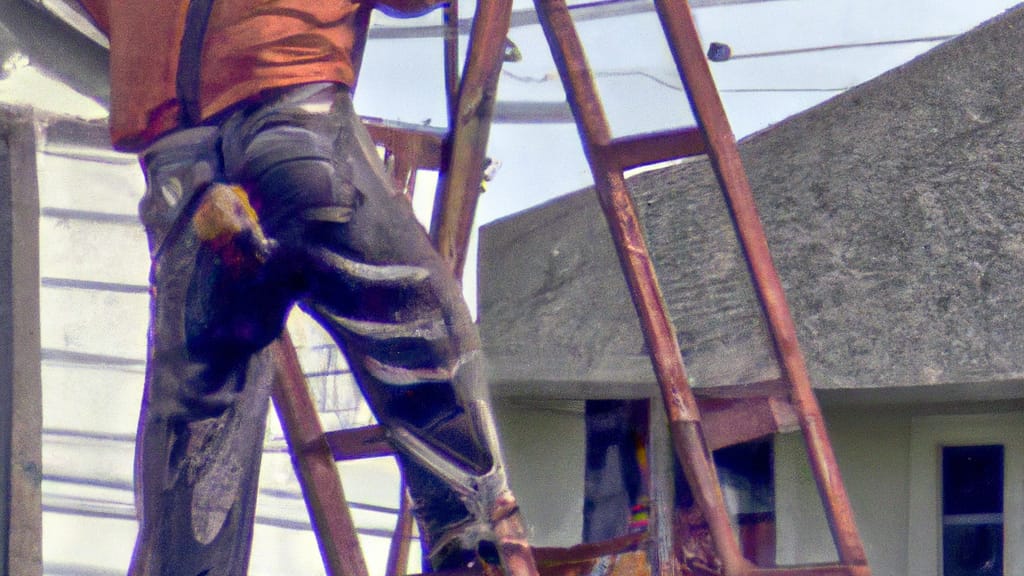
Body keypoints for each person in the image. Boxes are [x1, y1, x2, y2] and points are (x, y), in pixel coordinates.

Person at [72, 1, 535, 574]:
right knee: (421, 342)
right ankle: (477, 544)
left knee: (198, 423)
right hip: (291, 127)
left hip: (184, 184)